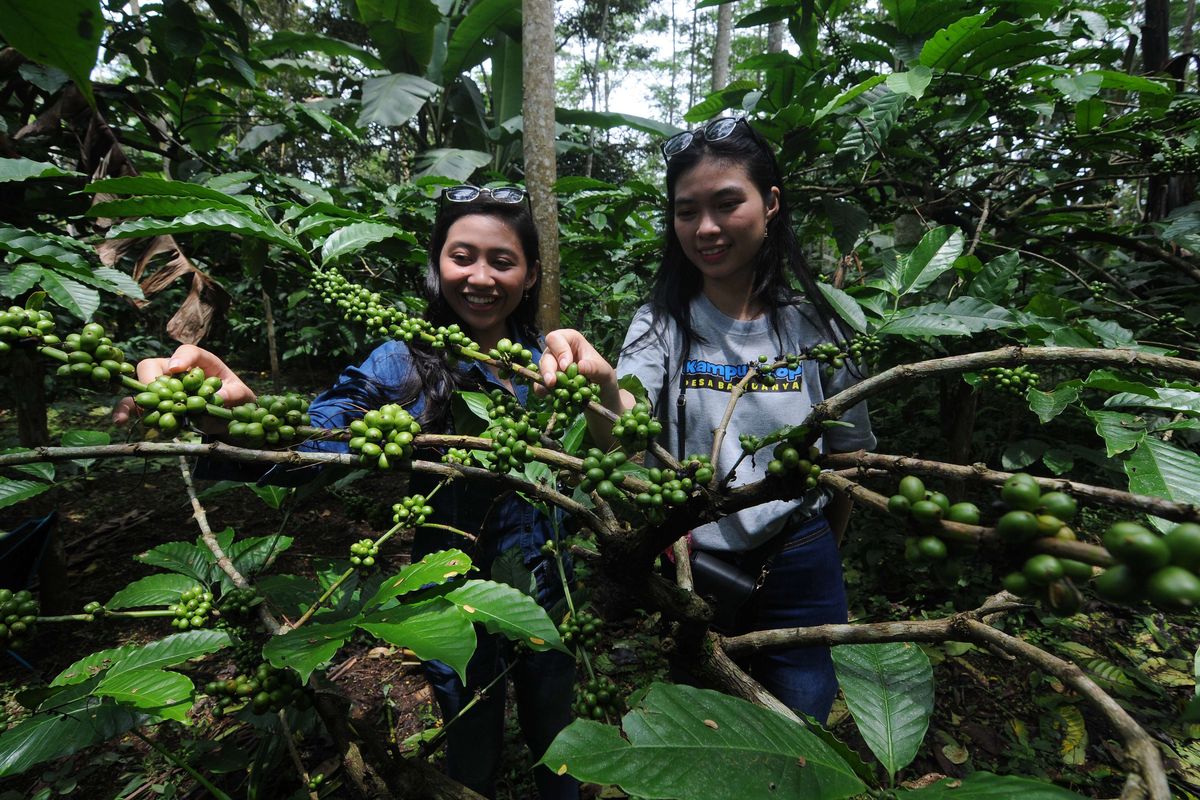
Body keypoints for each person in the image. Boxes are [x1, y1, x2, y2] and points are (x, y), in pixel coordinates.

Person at [115, 186, 579, 800]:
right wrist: (229, 421)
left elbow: (602, 453)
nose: (480, 277)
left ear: (531, 273)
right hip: (448, 585)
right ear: (437, 262)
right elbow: (314, 446)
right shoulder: (402, 362)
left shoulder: (551, 364)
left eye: (503, 261)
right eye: (461, 256)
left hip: (546, 577)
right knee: (468, 738)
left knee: (558, 727)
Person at [539, 117, 875, 722]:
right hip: (697, 557)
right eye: (687, 211)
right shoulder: (661, 323)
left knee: (801, 717)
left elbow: (848, 454)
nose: (707, 228)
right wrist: (605, 386)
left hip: (801, 553)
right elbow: (628, 440)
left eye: (727, 204)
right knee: (708, 722)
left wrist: (824, 545)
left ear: (770, 204)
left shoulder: (817, 326)